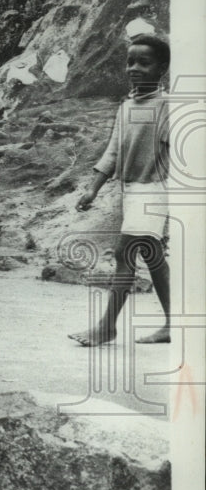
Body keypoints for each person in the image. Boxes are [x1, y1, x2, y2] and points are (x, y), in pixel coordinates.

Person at [70, 33, 171, 346]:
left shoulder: (168, 107)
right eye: (130, 62)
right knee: (153, 257)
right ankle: (175, 323)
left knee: (123, 252)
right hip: (130, 191)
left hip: (155, 190)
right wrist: (93, 189)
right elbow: (112, 153)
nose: (134, 68)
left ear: (162, 69)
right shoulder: (126, 107)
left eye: (144, 62)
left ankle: (107, 326)